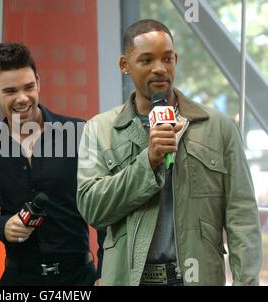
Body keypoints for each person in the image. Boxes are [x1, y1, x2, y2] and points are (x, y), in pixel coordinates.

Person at [77, 19, 262, 286]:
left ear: (176, 58)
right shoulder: (101, 129)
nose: (160, 69)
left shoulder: (218, 127)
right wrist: (148, 161)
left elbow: (242, 216)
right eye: (146, 60)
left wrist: (247, 282)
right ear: (124, 65)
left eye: (167, 58)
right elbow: (93, 209)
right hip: (131, 280)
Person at [0, 42, 104, 286]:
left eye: (29, 87)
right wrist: (2, 226)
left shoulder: (79, 133)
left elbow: (105, 207)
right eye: (10, 91)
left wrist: (105, 273)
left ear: (38, 83)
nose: (23, 98)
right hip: (19, 278)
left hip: (80, 277)